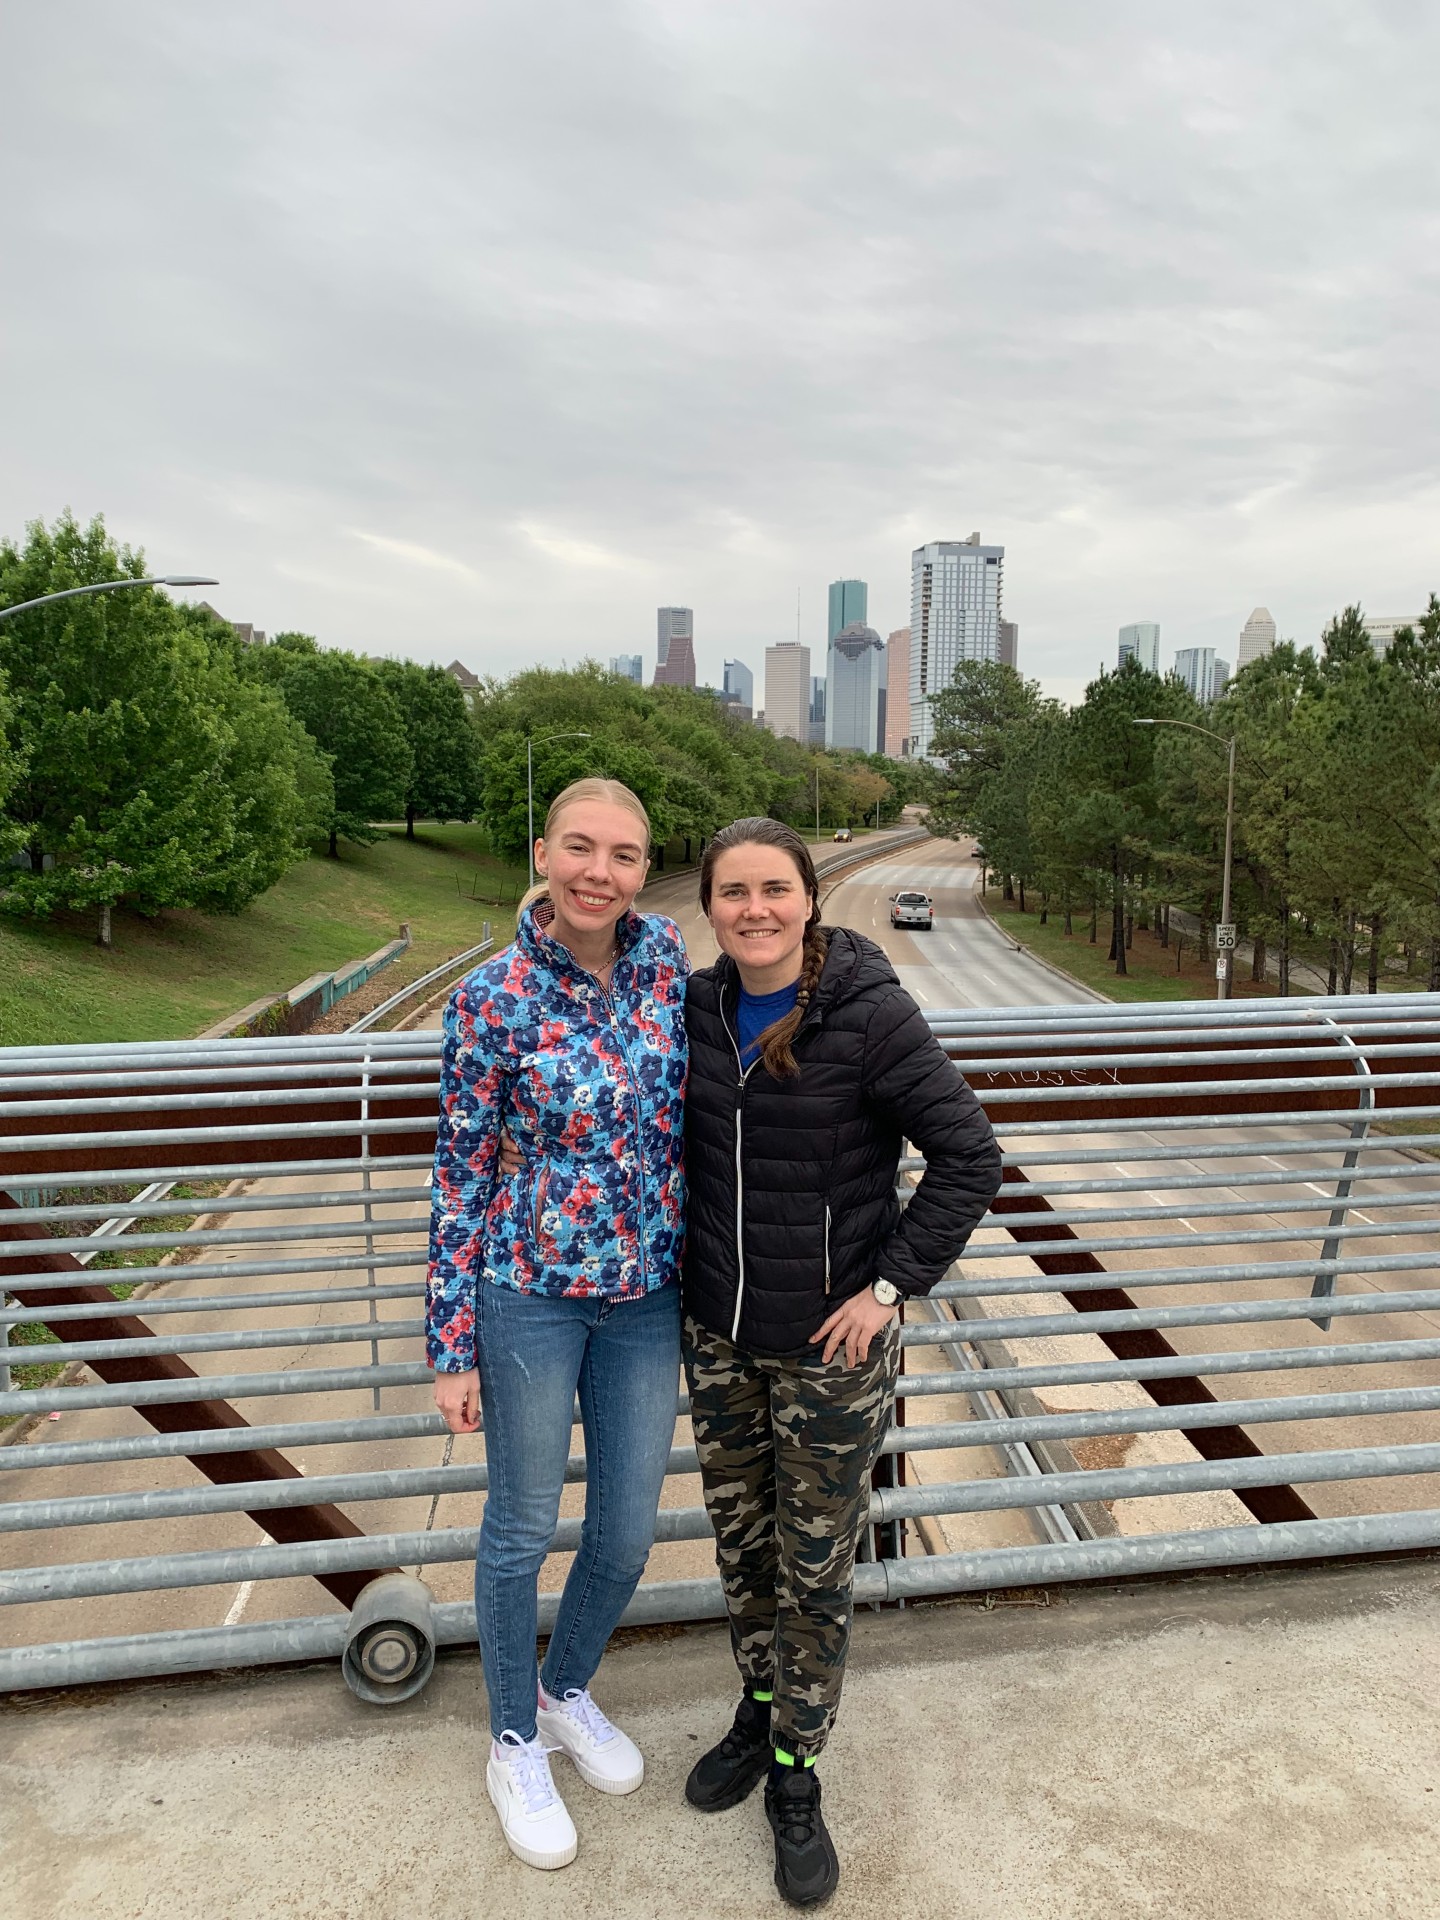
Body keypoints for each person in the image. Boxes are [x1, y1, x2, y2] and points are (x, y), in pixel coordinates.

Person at [680, 817, 1001, 1908]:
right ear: (711, 906)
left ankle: (797, 1769)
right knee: (744, 1551)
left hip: (828, 1357)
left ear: (808, 899)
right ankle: (760, 1708)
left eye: (775, 888)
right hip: (719, 1340)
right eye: (734, 892)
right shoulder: (695, 1009)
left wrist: (888, 1289)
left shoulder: (869, 1013)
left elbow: (969, 1155)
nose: (755, 909)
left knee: (815, 1572)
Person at [426, 776, 688, 1873]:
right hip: (526, 1294)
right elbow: (458, 1171)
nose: (600, 872)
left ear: (641, 869)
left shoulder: (667, 962)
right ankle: (514, 1740)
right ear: (543, 853)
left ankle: (565, 1683)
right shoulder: (491, 997)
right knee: (521, 1528)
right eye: (580, 849)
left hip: (647, 1298)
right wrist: (450, 1342)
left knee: (626, 1533)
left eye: (622, 855)